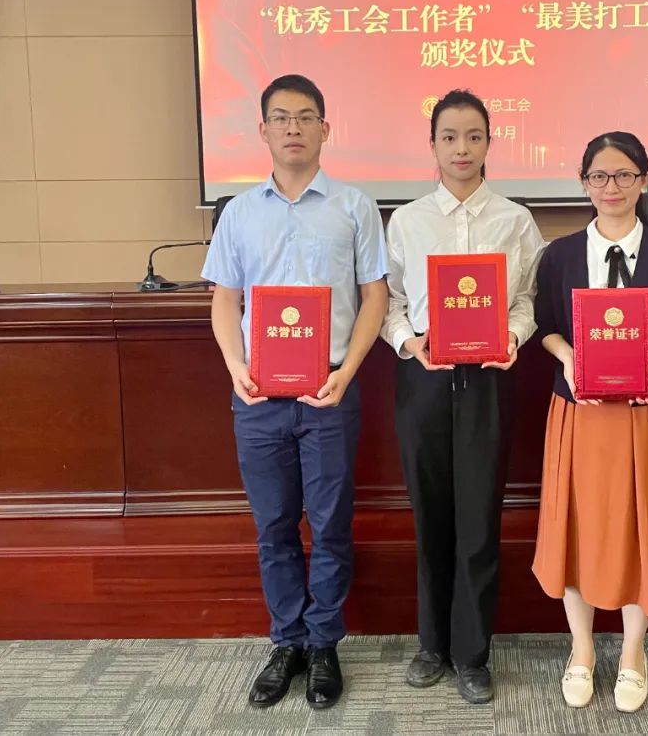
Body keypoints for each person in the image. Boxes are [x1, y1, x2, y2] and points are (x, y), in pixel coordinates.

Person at [202, 74, 389, 710]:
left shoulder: (355, 206)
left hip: (330, 392)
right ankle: (287, 642)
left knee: (330, 523)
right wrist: (235, 365)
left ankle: (324, 642)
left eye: (305, 117)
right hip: (258, 397)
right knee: (274, 525)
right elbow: (224, 299)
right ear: (262, 130)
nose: (293, 128)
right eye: (280, 118)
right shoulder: (238, 212)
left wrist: (348, 372)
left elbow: (375, 297)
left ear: (324, 129)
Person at [380, 89, 545, 704]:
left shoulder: (515, 220)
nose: (462, 148)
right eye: (449, 136)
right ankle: (431, 644)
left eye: (474, 136)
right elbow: (390, 301)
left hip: (488, 381)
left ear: (489, 143)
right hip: (424, 378)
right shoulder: (407, 220)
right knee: (429, 517)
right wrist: (408, 341)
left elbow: (527, 300)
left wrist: (513, 336)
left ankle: (473, 653)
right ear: (432, 145)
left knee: (478, 520)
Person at [531, 131, 648, 712]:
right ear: (584, 184)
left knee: (639, 528)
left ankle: (632, 652)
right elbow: (546, 326)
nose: (612, 187)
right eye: (600, 176)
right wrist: (567, 357)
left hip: (644, 415)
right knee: (577, 527)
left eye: (625, 174)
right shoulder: (559, 255)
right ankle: (581, 649)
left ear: (644, 180)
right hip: (579, 414)